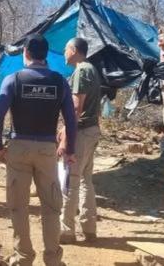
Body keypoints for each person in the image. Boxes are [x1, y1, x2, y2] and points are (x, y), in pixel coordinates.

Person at [0, 34, 76, 266]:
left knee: (18, 206)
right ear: (45, 55)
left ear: (25, 53)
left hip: (18, 147)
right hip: (47, 149)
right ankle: (53, 259)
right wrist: (70, 149)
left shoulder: (14, 79)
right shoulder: (60, 81)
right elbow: (70, 119)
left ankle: (23, 258)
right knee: (51, 206)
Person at [58, 37, 102, 244]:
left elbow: (76, 108)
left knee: (71, 181)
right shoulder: (91, 69)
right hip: (92, 130)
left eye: (66, 49)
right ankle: (89, 228)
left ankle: (66, 231)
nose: (64, 53)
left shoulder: (82, 70)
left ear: (74, 50)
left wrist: (67, 134)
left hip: (83, 132)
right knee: (86, 180)